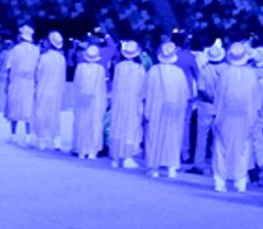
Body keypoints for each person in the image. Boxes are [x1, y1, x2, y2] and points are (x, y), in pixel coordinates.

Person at [210, 38, 262, 193]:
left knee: (221, 148)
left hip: (226, 115)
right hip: (246, 116)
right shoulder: (252, 75)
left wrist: (217, 117)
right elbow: (256, 99)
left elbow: (218, 98)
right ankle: (240, 181)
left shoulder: (225, 74)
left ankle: (220, 182)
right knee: (243, 148)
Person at [142, 39, 191, 178]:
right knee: (173, 137)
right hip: (174, 110)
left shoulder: (153, 71)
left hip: (155, 109)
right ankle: (171, 167)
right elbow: (185, 95)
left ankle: (154, 167)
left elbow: (145, 92)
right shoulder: (179, 73)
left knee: (154, 136)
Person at [108, 39, 145, 169]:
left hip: (119, 103)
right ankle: (127, 156)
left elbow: (114, 85)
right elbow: (142, 89)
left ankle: (115, 157)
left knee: (118, 126)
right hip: (133, 103)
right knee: (131, 128)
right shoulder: (139, 69)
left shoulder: (119, 67)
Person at [70, 41, 108, 160]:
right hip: (96, 100)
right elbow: (102, 88)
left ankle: (81, 149)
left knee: (82, 123)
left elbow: (76, 85)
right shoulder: (100, 69)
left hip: (82, 99)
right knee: (94, 124)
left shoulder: (80, 68)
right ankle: (92, 150)